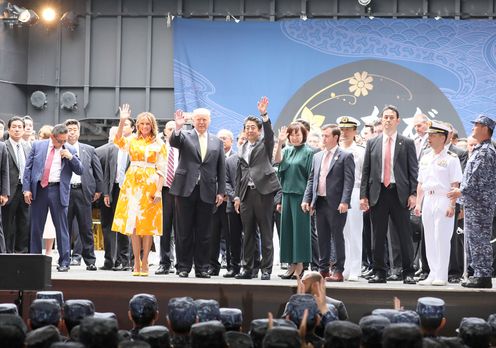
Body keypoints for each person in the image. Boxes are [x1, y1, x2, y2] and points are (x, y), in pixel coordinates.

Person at [360, 105, 418, 284]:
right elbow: (366, 171)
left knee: (404, 234)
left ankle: (408, 272)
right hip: (378, 193)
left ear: (398, 120)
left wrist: (413, 193)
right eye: (385, 117)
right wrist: (363, 196)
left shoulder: (406, 142)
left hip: (399, 193)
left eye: (391, 117)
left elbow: (413, 170)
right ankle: (379, 272)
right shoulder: (372, 142)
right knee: (377, 235)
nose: (388, 120)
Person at [170, 108, 226, 279]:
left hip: (207, 190)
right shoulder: (185, 136)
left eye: (204, 120)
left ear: (209, 121)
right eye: (198, 119)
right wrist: (178, 127)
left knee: (204, 232)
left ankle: (202, 267)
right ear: (193, 121)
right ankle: (183, 266)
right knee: (184, 231)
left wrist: (221, 191)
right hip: (185, 188)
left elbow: (221, 168)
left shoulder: (217, 142)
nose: (201, 122)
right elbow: (174, 141)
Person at [112, 104, 167, 277]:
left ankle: (145, 262)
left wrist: (158, 191)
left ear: (152, 126)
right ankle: (135, 262)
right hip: (132, 185)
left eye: (147, 124)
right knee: (134, 226)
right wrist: (122, 121)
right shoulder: (132, 140)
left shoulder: (159, 143)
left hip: (150, 184)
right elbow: (117, 140)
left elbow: (162, 169)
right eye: (142, 123)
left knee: (147, 227)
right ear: (137, 125)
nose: (144, 127)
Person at [23, 124, 83, 271]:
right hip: (40, 189)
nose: (62, 144)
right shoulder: (38, 146)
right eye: (60, 141)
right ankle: (35, 262)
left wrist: (71, 157)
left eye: (65, 140)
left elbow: (80, 170)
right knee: (36, 228)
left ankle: (64, 262)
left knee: (61, 228)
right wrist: (26, 189)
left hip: (58, 190)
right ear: (52, 137)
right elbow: (28, 168)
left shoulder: (70, 149)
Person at [234, 97, 281, 280]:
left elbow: (270, 133)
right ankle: (248, 268)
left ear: (258, 130)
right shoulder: (242, 147)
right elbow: (240, 173)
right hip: (246, 194)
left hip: (264, 193)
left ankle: (266, 269)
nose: (250, 130)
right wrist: (237, 196)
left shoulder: (265, 143)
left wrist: (264, 115)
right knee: (248, 234)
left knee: (266, 232)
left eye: (253, 127)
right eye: (247, 128)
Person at [448, 115, 496, 288]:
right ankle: (478, 273)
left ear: (485, 128)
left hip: (480, 204)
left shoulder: (485, 152)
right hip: (475, 202)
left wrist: (460, 191)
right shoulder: (480, 149)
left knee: (479, 240)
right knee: (473, 239)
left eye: (476, 125)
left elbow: (476, 179)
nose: (473, 127)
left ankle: (483, 276)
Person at [302, 124, 355, 282]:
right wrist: (307, 199)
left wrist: (345, 201)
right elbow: (312, 179)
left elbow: (348, 181)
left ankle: (338, 270)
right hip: (320, 202)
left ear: (335, 138)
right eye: (322, 135)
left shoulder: (345, 156)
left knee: (337, 237)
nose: (323, 138)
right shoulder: (317, 156)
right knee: (322, 237)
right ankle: (323, 269)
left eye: (326, 136)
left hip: (337, 203)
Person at [414, 121, 462, 286]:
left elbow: (455, 184)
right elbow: (420, 183)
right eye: (429, 135)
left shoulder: (451, 158)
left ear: (442, 138)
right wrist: (418, 203)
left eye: (433, 135)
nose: (429, 138)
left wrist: (452, 205)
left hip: (443, 198)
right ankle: (432, 273)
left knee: (441, 238)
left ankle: (442, 274)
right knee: (429, 238)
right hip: (428, 197)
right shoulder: (426, 157)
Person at [274, 122, 314, 279]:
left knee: (300, 232)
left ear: (304, 135)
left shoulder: (308, 152)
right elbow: (277, 162)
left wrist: (309, 199)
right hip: (286, 195)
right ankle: (291, 264)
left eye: (298, 134)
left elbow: (311, 177)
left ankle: (301, 265)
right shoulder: (287, 150)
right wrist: (279, 143)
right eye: (292, 134)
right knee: (287, 232)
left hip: (301, 196)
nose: (295, 137)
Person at [64, 119, 103, 270]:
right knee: (64, 227)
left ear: (79, 131)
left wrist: (98, 190)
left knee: (86, 228)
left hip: (83, 191)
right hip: (65, 192)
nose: (72, 132)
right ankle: (65, 259)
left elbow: (97, 171)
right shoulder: (60, 148)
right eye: (69, 129)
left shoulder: (89, 149)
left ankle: (90, 260)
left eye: (74, 129)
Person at [101, 121, 134, 271]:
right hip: (114, 188)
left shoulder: (135, 146)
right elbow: (108, 172)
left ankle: (125, 260)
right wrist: (106, 193)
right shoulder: (113, 148)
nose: (124, 127)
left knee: (126, 226)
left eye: (127, 124)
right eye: (122, 124)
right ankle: (114, 260)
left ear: (133, 128)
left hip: (130, 190)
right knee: (113, 225)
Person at [337, 116, 365, 282]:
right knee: (341, 233)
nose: (344, 132)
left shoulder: (360, 151)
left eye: (348, 129)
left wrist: (363, 196)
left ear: (355, 131)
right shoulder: (335, 148)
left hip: (354, 192)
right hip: (336, 194)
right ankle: (344, 267)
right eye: (342, 129)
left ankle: (355, 268)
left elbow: (364, 175)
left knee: (354, 231)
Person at [208, 129, 236, 276]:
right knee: (213, 235)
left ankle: (231, 264)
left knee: (230, 235)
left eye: (224, 138)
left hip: (229, 202)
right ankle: (213, 265)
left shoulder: (236, 157)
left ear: (231, 141)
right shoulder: (212, 155)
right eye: (219, 139)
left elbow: (236, 180)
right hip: (213, 202)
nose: (222, 141)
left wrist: (227, 194)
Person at [2, 116, 30, 253]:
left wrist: (29, 188)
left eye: (20, 127)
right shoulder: (3, 146)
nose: (17, 129)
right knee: (7, 224)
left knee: (24, 223)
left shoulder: (27, 146)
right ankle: (6, 253)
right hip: (9, 190)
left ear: (24, 129)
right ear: (9, 129)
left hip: (24, 190)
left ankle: (21, 253)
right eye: (14, 127)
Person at [156, 121, 178, 275]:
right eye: (170, 129)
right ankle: (164, 263)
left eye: (175, 129)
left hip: (181, 191)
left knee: (181, 229)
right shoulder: (159, 148)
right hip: (163, 190)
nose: (172, 131)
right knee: (164, 229)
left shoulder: (184, 147)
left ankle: (181, 263)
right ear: (165, 131)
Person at [37, 126, 57, 256]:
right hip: (39, 188)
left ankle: (49, 251)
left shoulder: (59, 150)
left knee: (50, 222)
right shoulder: (36, 148)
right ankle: (39, 251)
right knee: (37, 222)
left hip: (53, 187)